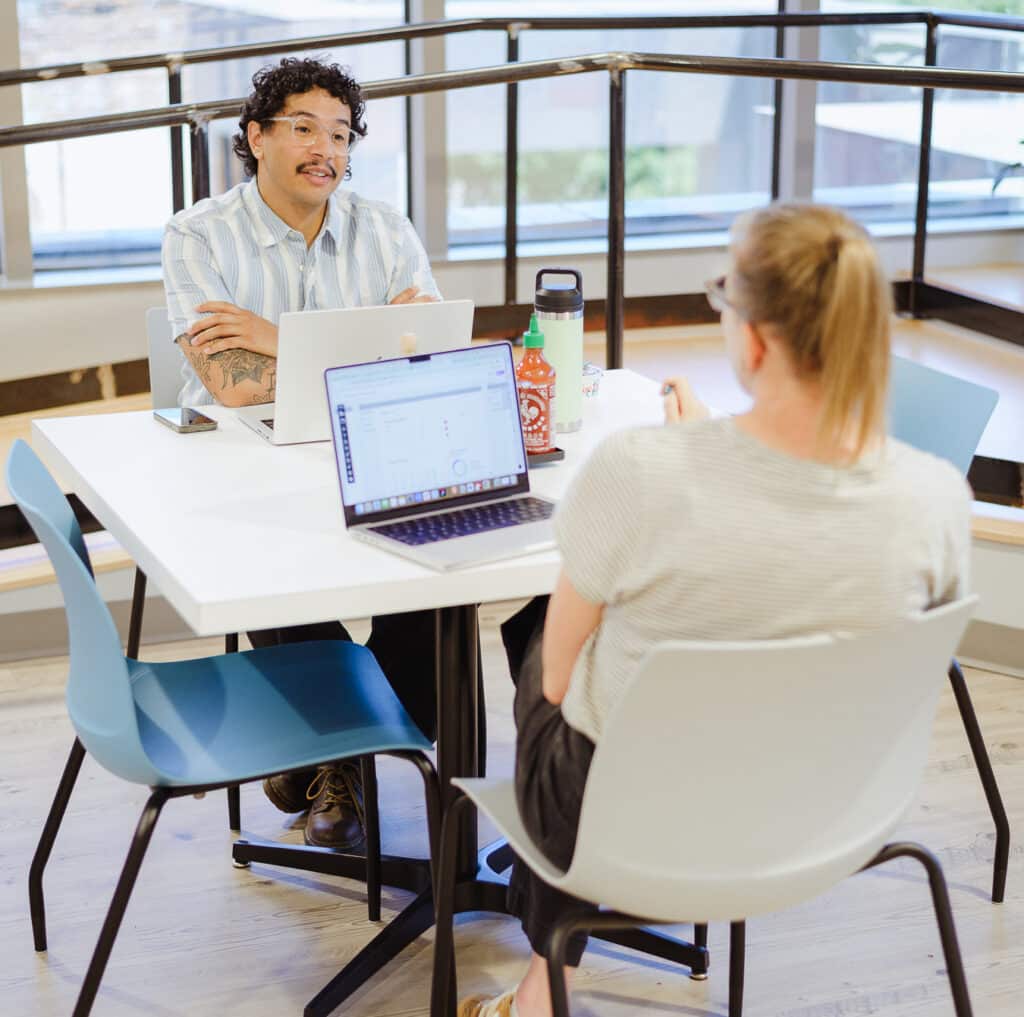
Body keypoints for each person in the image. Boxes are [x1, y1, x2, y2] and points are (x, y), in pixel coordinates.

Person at [459, 203, 972, 1017]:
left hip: (620, 832)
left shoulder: (641, 471)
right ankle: (539, 985)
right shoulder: (939, 499)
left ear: (756, 338)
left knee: (540, 639)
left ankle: (545, 982)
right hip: (823, 818)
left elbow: (556, 681)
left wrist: (696, 458)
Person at [161, 57, 440, 851]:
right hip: (243, 469)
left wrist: (278, 339)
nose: (327, 150)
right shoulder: (198, 234)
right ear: (255, 138)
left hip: (369, 452)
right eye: (304, 129)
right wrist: (365, 354)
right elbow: (233, 384)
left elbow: (421, 358)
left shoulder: (383, 227)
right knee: (282, 560)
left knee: (435, 563)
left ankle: (329, 748)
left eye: (342, 135)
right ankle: (337, 761)